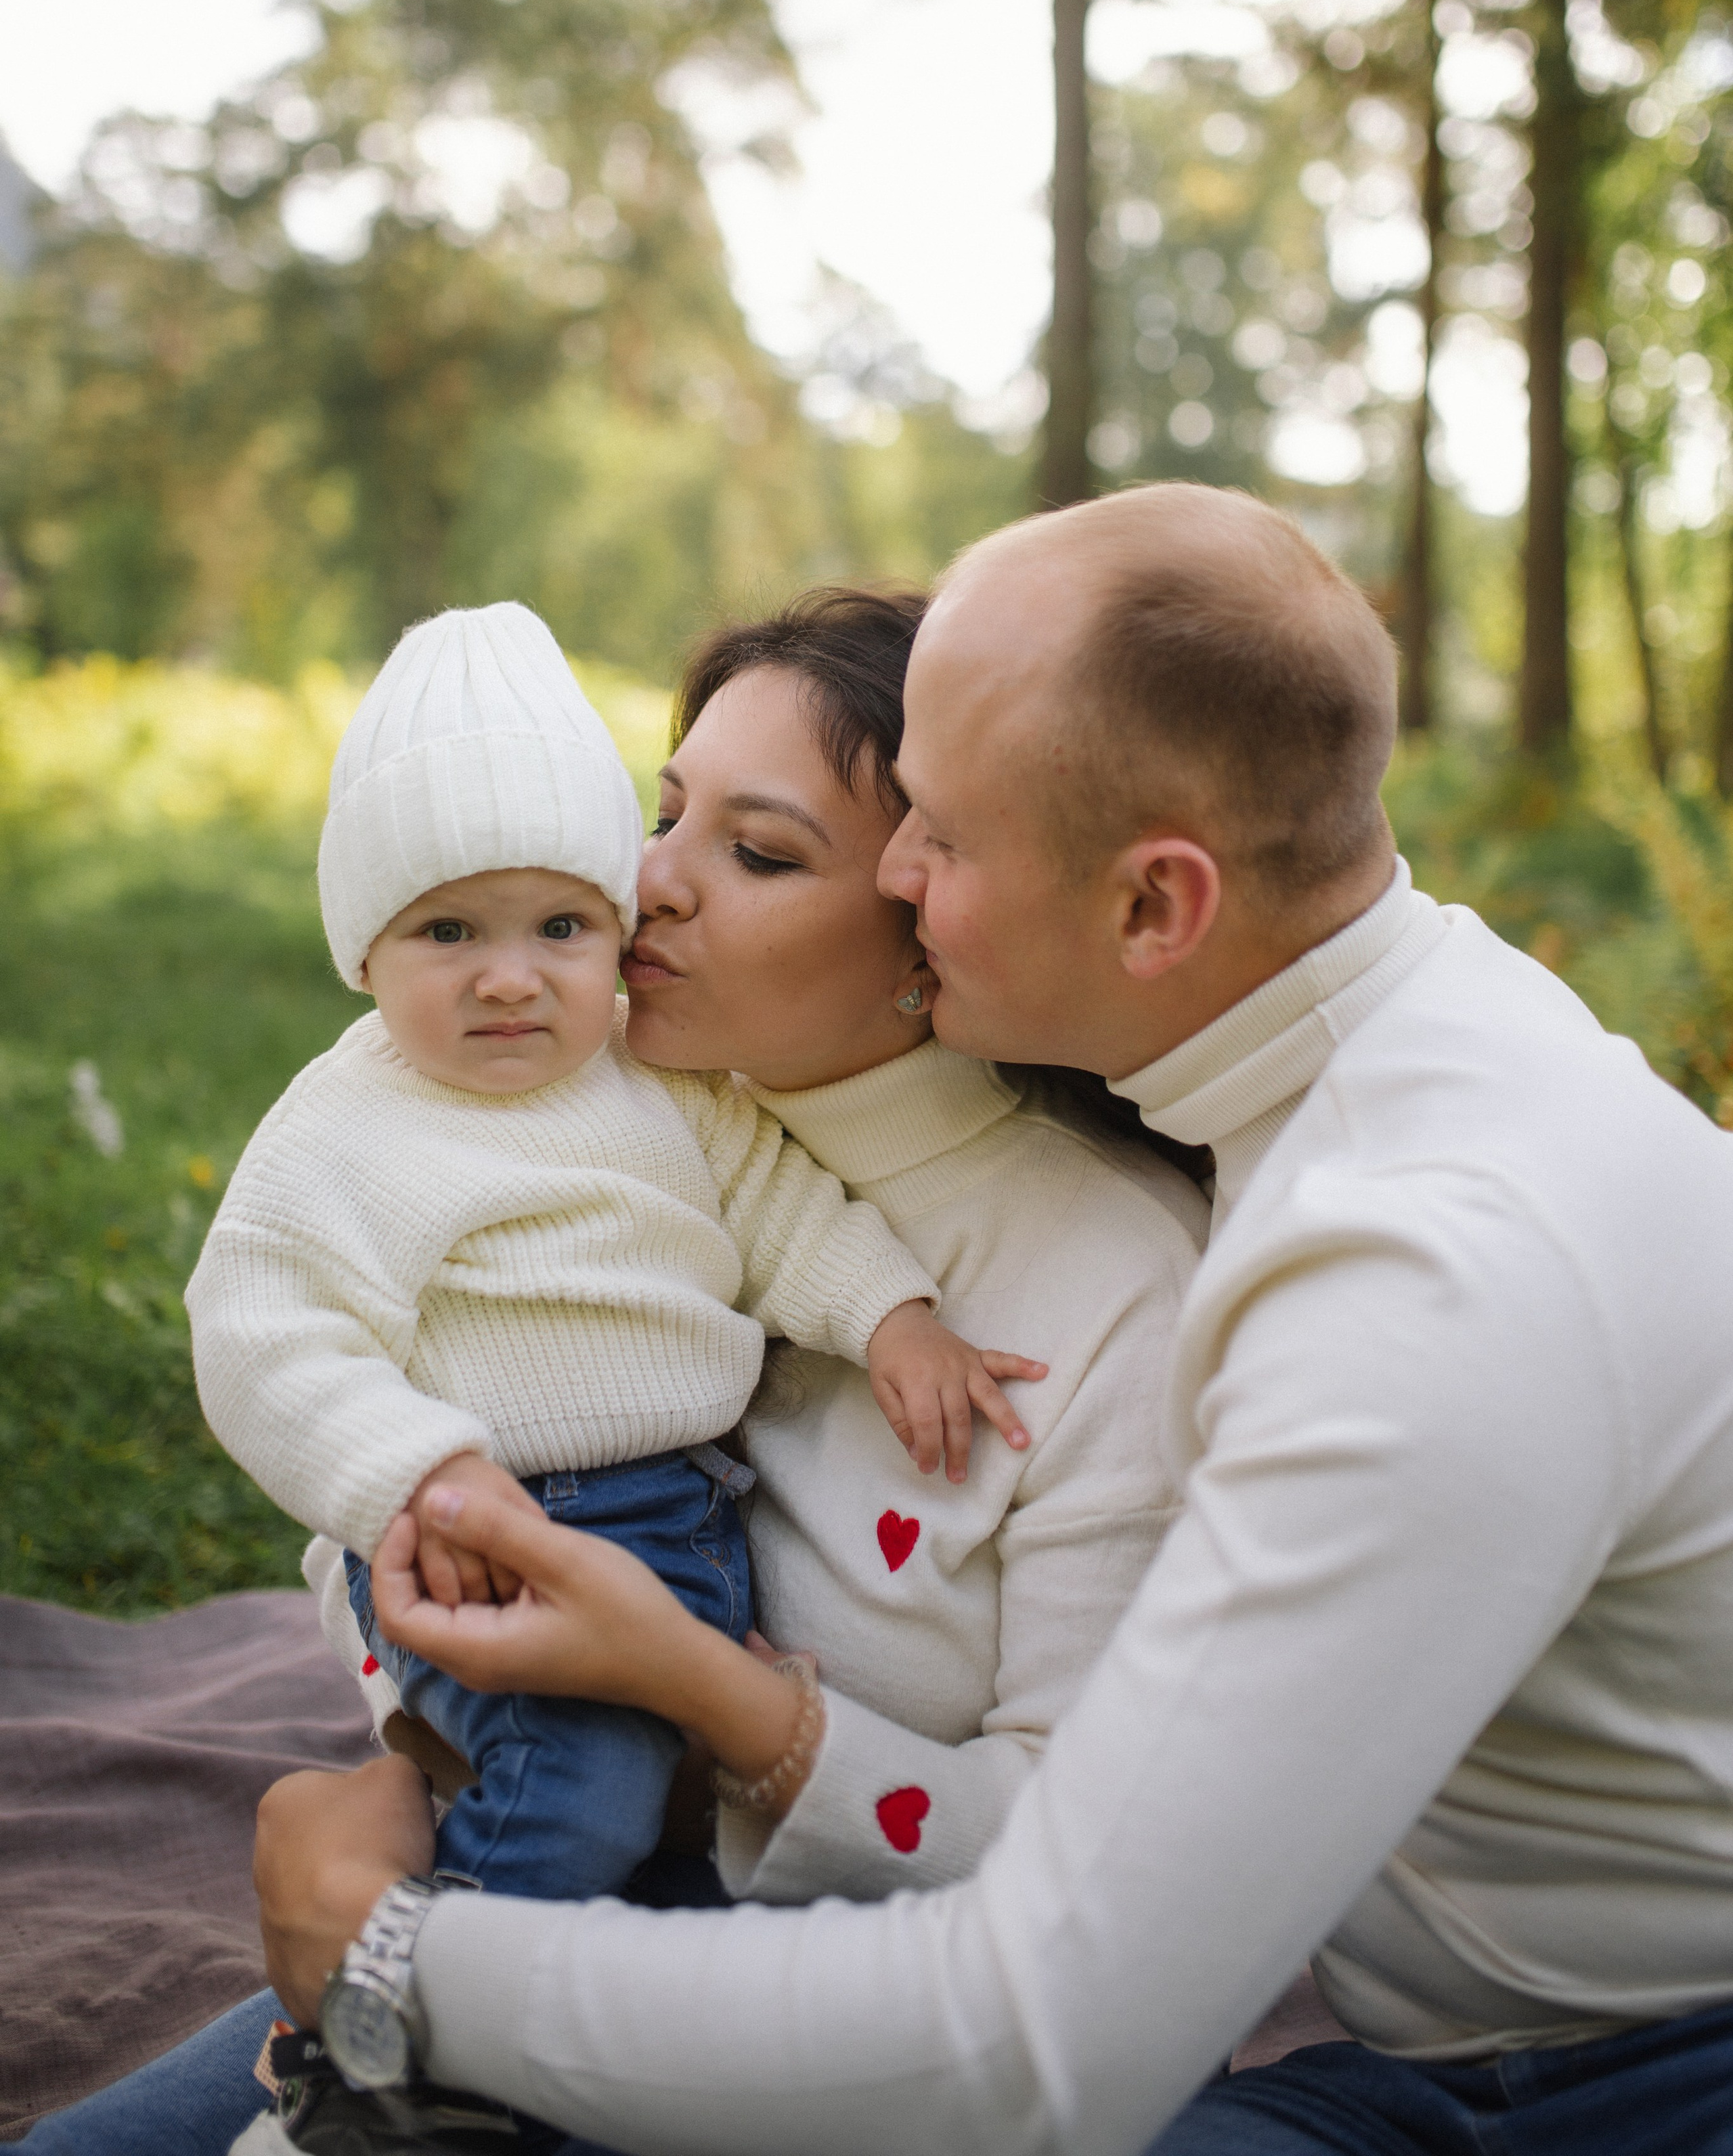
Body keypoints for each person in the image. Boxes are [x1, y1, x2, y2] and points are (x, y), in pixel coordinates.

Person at [238, 482, 1733, 2156]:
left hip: (1618, 2091)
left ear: (1152, 908)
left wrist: (393, 1956)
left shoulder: (1419, 1271)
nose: (895, 871)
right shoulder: (698, 1137)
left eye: (934, 839)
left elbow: (1033, 2039)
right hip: (1361, 2044)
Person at [24, 581, 1204, 2153]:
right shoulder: (572, 1099)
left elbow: (1081, 1875)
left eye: (757, 852)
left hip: (826, 2000)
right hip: (516, 1858)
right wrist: (416, 1715)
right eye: (662, 814)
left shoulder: (1108, 1290)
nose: (644, 882)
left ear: (933, 919)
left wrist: (708, 1701)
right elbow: (344, 1430)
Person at [185, 597, 1035, 1934]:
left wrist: (892, 1317)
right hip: (493, 1515)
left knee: (649, 1794)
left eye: (562, 929)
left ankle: (475, 1957)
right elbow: (265, 1329)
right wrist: (414, 1475)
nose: (509, 980)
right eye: (448, 934)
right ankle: (414, 2001)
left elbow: (778, 1211)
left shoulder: (655, 1081)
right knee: (576, 1783)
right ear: (362, 951)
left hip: (683, 1519)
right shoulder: (355, 1119)